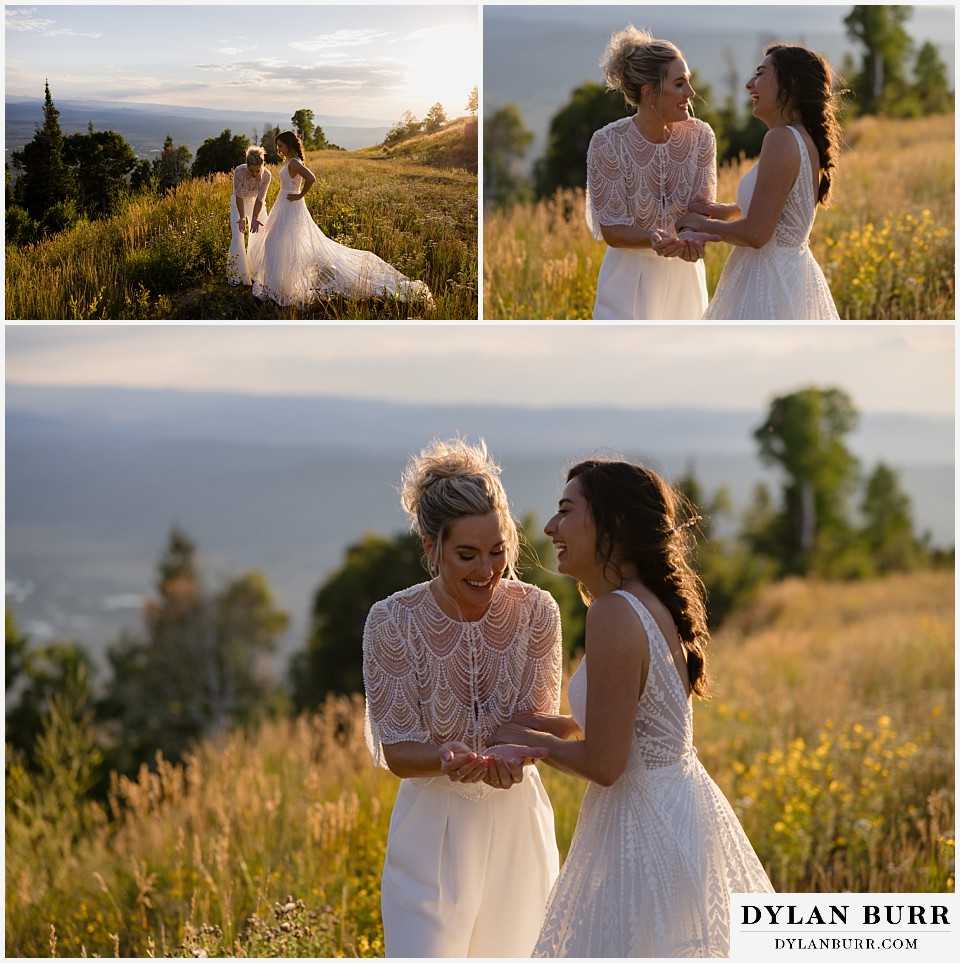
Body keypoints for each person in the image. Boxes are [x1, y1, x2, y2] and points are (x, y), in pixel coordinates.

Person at [492, 459, 774, 957]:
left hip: (644, 827)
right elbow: (635, 722)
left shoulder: (614, 612)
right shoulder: (644, 603)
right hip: (675, 809)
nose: (550, 527)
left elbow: (604, 764)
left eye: (565, 511)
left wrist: (518, 740)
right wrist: (543, 725)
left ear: (613, 524)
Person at [361, 438, 563, 957]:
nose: (486, 569)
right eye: (466, 554)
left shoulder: (538, 612)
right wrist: (446, 758)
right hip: (432, 830)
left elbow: (537, 724)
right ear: (431, 548)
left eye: (498, 551)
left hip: (518, 823)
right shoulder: (392, 622)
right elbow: (398, 752)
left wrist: (521, 752)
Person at [678, 44, 842, 319]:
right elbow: (780, 212)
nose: (749, 84)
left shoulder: (781, 139)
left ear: (789, 85)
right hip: (790, 274)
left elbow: (757, 234)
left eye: (760, 74)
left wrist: (699, 224)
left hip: (768, 281)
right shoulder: (801, 137)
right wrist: (727, 210)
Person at [586, 25, 721, 320]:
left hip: (686, 276)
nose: (691, 92)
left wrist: (689, 237)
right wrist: (653, 239)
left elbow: (700, 210)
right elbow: (611, 227)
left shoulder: (701, 136)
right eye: (679, 83)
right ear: (650, 93)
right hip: (628, 279)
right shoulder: (607, 143)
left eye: (688, 81)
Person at [249, 130, 432, 308]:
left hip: (290, 205)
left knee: (273, 243)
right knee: (280, 244)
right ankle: (279, 287)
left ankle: (278, 289)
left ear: (289, 145)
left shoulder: (294, 163)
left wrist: (299, 195)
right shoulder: (290, 161)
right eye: (277, 146)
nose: (278, 149)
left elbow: (311, 178)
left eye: (280, 146)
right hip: (285, 204)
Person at [227, 145, 271, 285]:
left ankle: (258, 271)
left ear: (262, 165)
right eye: (251, 170)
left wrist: (254, 218)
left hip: (255, 204)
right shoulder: (239, 171)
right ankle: (239, 275)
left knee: (261, 234)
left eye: (257, 170)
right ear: (246, 166)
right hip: (238, 204)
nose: (254, 174)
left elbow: (260, 199)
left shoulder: (267, 176)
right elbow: (239, 196)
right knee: (238, 236)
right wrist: (241, 218)